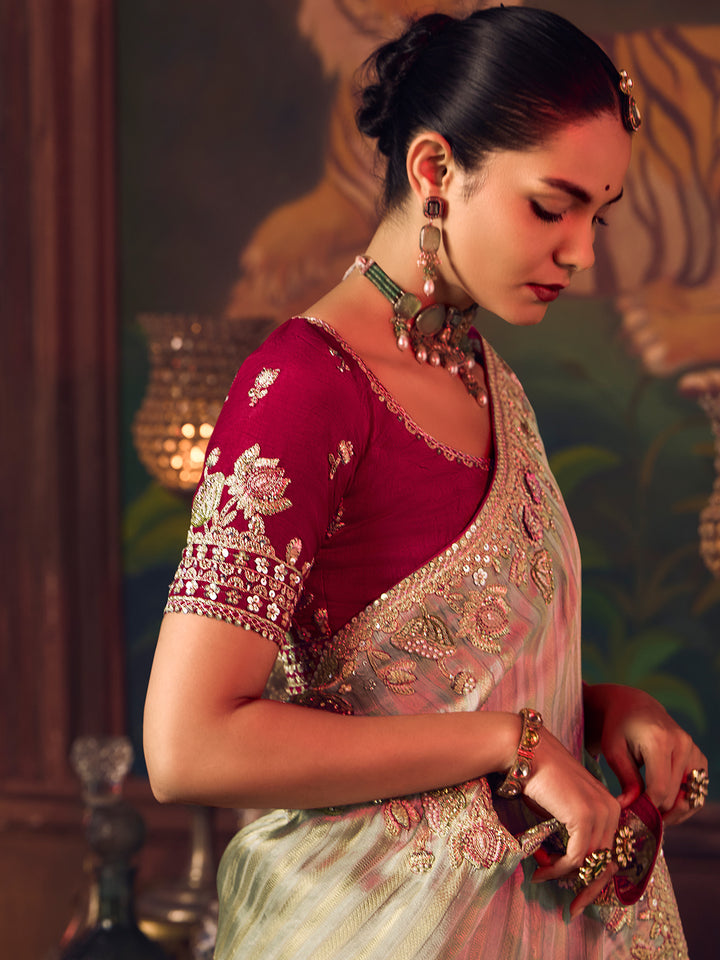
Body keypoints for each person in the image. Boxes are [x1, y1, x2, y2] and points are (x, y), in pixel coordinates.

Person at [143, 7, 708, 958]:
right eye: (551, 205)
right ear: (436, 172)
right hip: (380, 924)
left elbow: (434, 687)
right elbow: (189, 745)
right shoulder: (303, 389)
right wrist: (516, 744)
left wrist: (601, 710)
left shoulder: (483, 374)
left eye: (597, 215)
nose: (583, 252)